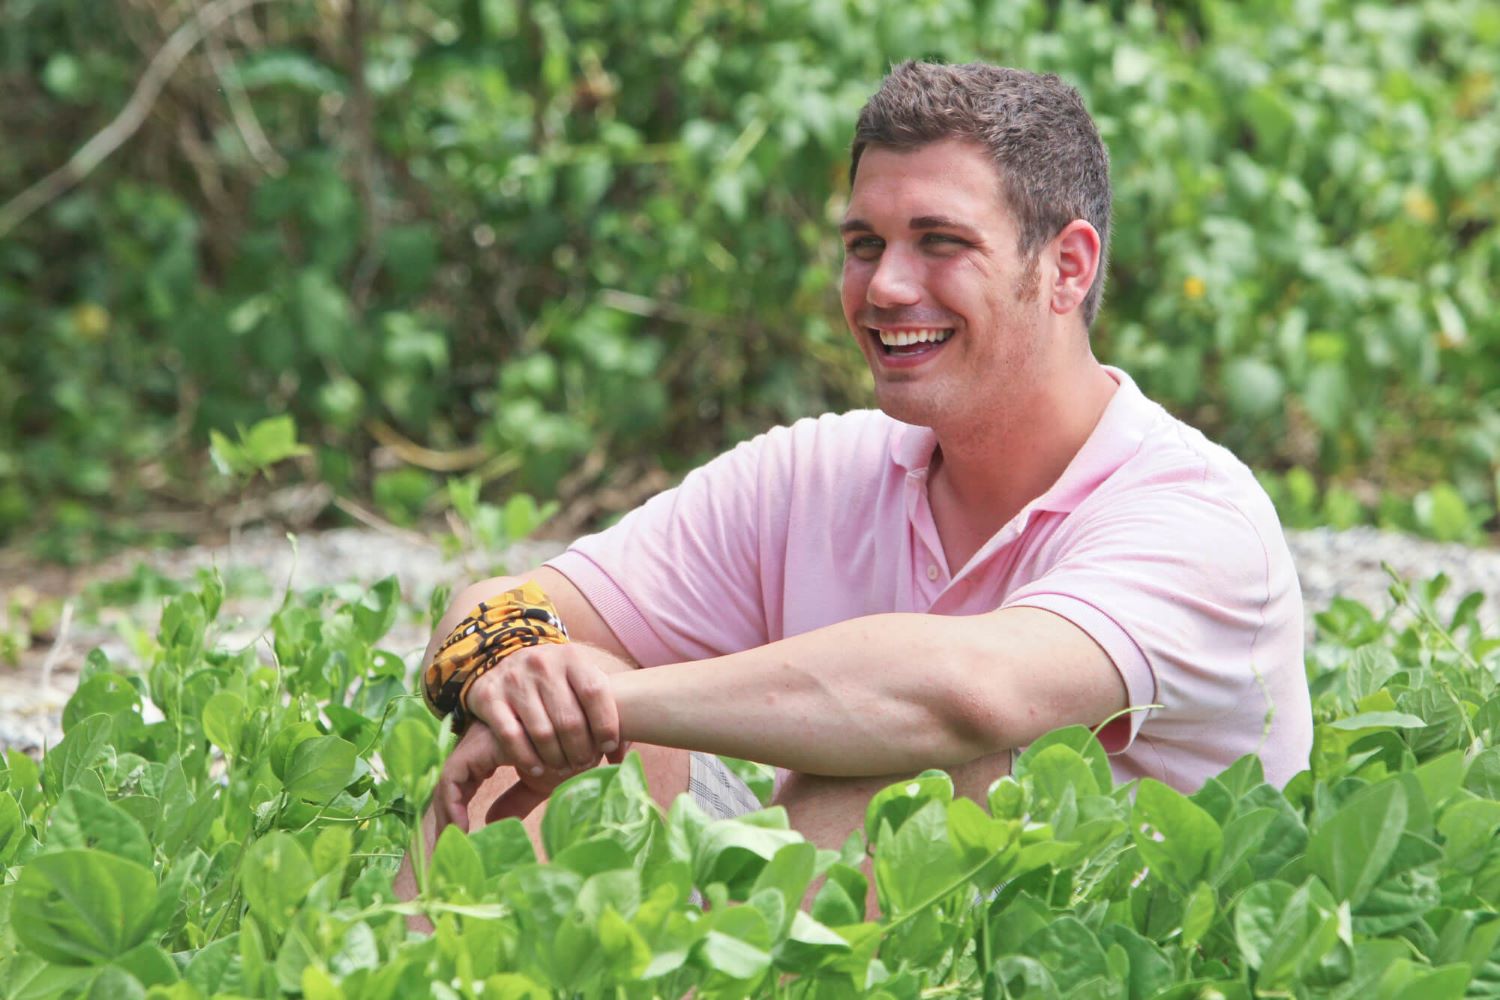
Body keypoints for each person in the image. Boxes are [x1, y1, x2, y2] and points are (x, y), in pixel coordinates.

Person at [396, 61, 1310, 900]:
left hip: (1095, 943)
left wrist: (608, 698)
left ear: (1067, 266)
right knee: (539, 739)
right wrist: (512, 684)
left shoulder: (1195, 512)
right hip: (808, 921)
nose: (883, 287)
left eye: (940, 242)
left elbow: (967, 694)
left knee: (937, 778)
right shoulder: (817, 467)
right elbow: (491, 607)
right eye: (865, 244)